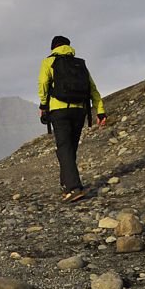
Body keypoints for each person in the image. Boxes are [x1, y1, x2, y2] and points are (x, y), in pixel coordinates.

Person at [38, 35, 107, 202]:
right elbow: (93, 89)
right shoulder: (79, 64)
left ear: (53, 47)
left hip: (59, 110)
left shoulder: (49, 62)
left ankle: (74, 188)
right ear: (69, 47)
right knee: (70, 149)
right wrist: (100, 111)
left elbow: (43, 84)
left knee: (64, 148)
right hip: (80, 111)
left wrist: (43, 106)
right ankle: (66, 185)